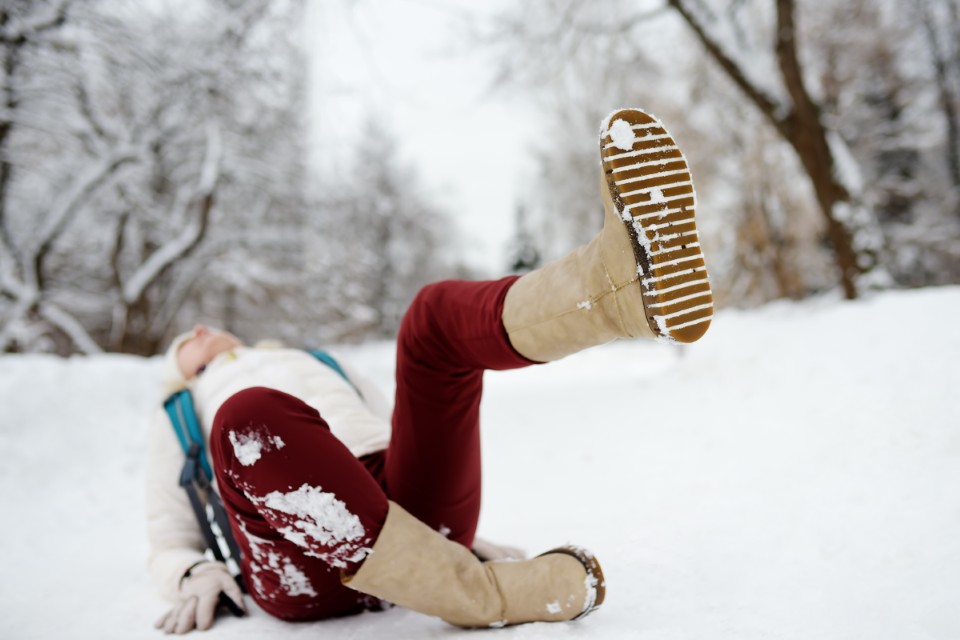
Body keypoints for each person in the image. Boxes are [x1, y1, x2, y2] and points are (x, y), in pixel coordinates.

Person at [146, 108, 713, 634]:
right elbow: (167, 533)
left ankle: (616, 289)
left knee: (429, 319)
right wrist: (190, 573)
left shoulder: (318, 361)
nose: (198, 333)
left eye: (202, 330)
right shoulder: (181, 412)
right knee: (247, 419)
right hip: (303, 557)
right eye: (185, 346)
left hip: (402, 515)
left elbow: (406, 434)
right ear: (183, 373)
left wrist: (445, 545)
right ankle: (481, 595)